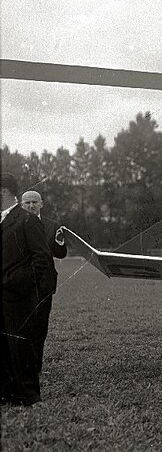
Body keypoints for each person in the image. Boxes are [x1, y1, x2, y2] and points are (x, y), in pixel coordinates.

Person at [1, 172, 51, 406]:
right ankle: (6, 393)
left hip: (18, 296)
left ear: (4, 192)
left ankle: (29, 397)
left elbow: (42, 260)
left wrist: (17, 282)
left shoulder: (28, 220)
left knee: (22, 345)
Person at [20, 190, 68, 373]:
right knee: (22, 326)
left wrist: (61, 240)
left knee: (40, 326)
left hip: (44, 284)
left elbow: (61, 253)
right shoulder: (15, 225)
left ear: (42, 204)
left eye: (34, 202)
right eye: (27, 203)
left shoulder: (52, 225)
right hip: (21, 284)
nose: (31, 205)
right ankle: (22, 367)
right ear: (21, 205)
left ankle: (36, 368)